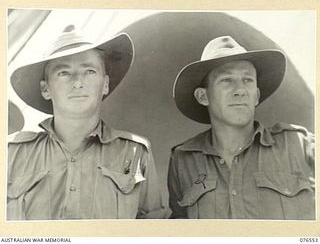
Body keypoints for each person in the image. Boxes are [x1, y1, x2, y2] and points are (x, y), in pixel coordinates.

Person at [8, 25, 168, 220]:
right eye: (64, 73)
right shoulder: (11, 152)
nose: (78, 83)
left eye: (90, 71)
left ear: (106, 84)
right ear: (45, 89)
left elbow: (153, 232)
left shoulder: (135, 153)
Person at [168, 35, 315, 219]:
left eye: (247, 80)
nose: (240, 90)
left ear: (257, 95)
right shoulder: (183, 161)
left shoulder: (299, 145)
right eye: (227, 80)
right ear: (203, 97)